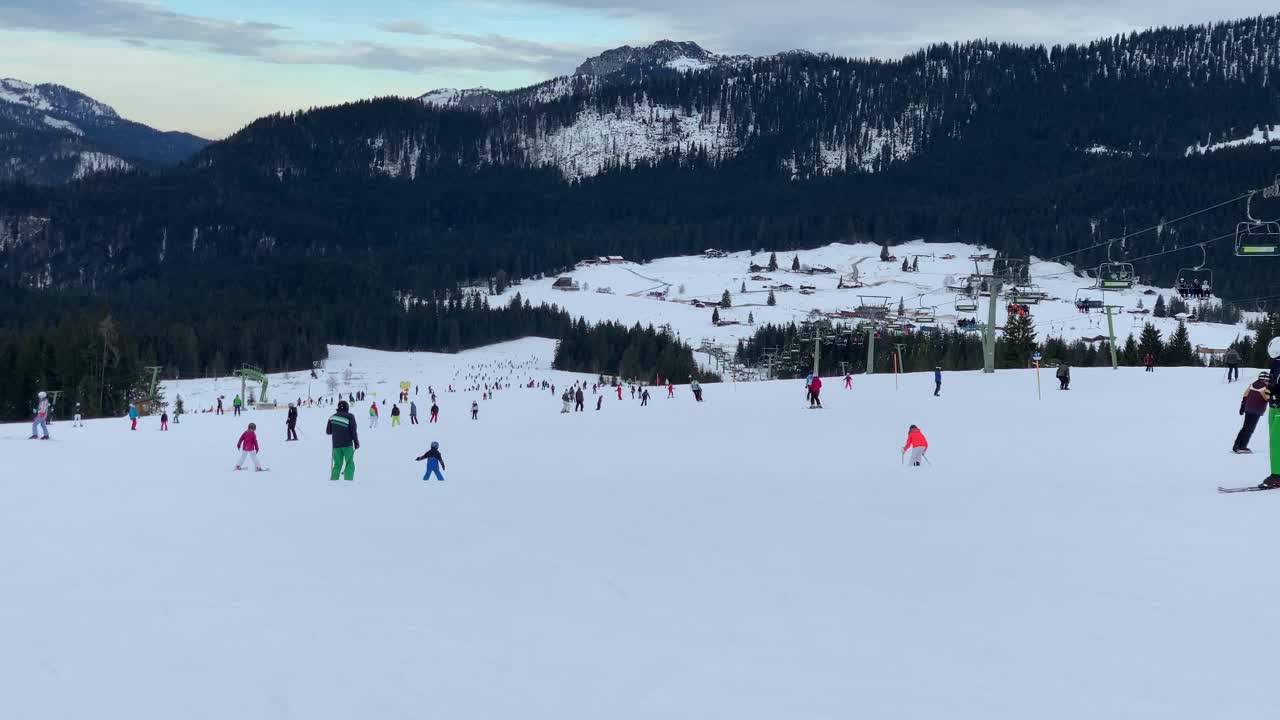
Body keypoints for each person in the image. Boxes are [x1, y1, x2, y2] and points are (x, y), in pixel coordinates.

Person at [1234, 372, 1271, 454]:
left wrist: (1242, 407)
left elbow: (1245, 396)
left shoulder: (1252, 385)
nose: (1268, 381)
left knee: (1245, 427)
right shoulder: (1265, 388)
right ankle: (1242, 447)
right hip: (1256, 410)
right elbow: (1268, 398)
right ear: (1264, 379)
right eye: (1267, 380)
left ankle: (1236, 445)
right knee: (1249, 429)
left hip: (1248, 409)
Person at [326, 400, 359, 481]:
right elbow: (353, 431)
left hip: (336, 445)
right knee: (349, 464)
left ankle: (333, 482)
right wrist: (356, 442)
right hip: (347, 445)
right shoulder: (350, 416)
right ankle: (348, 482)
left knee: (337, 464)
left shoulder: (332, 417)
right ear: (347, 407)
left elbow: (328, 431)